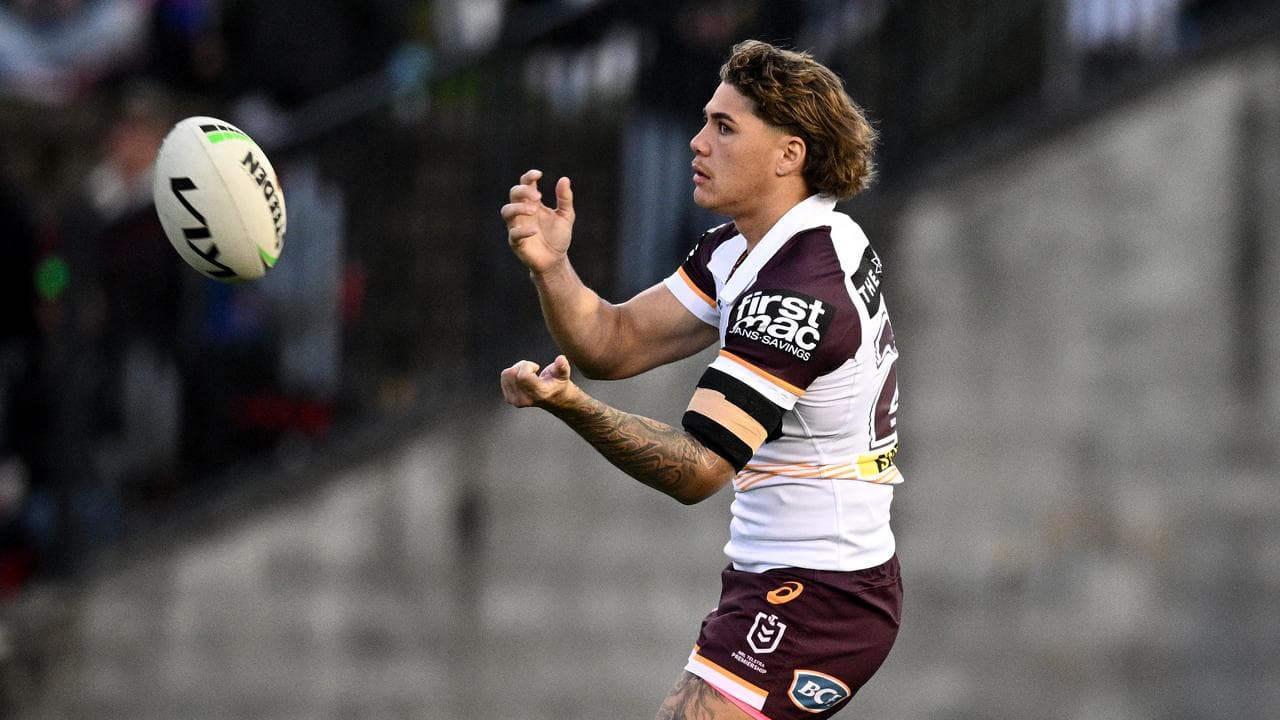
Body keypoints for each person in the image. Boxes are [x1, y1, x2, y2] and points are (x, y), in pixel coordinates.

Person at [499, 39, 903, 720]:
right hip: (784, 576)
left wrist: (569, 404)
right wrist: (553, 268)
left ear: (788, 154)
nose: (697, 142)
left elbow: (697, 469)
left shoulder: (798, 289)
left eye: (724, 127)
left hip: (823, 591)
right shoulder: (748, 247)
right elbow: (613, 341)